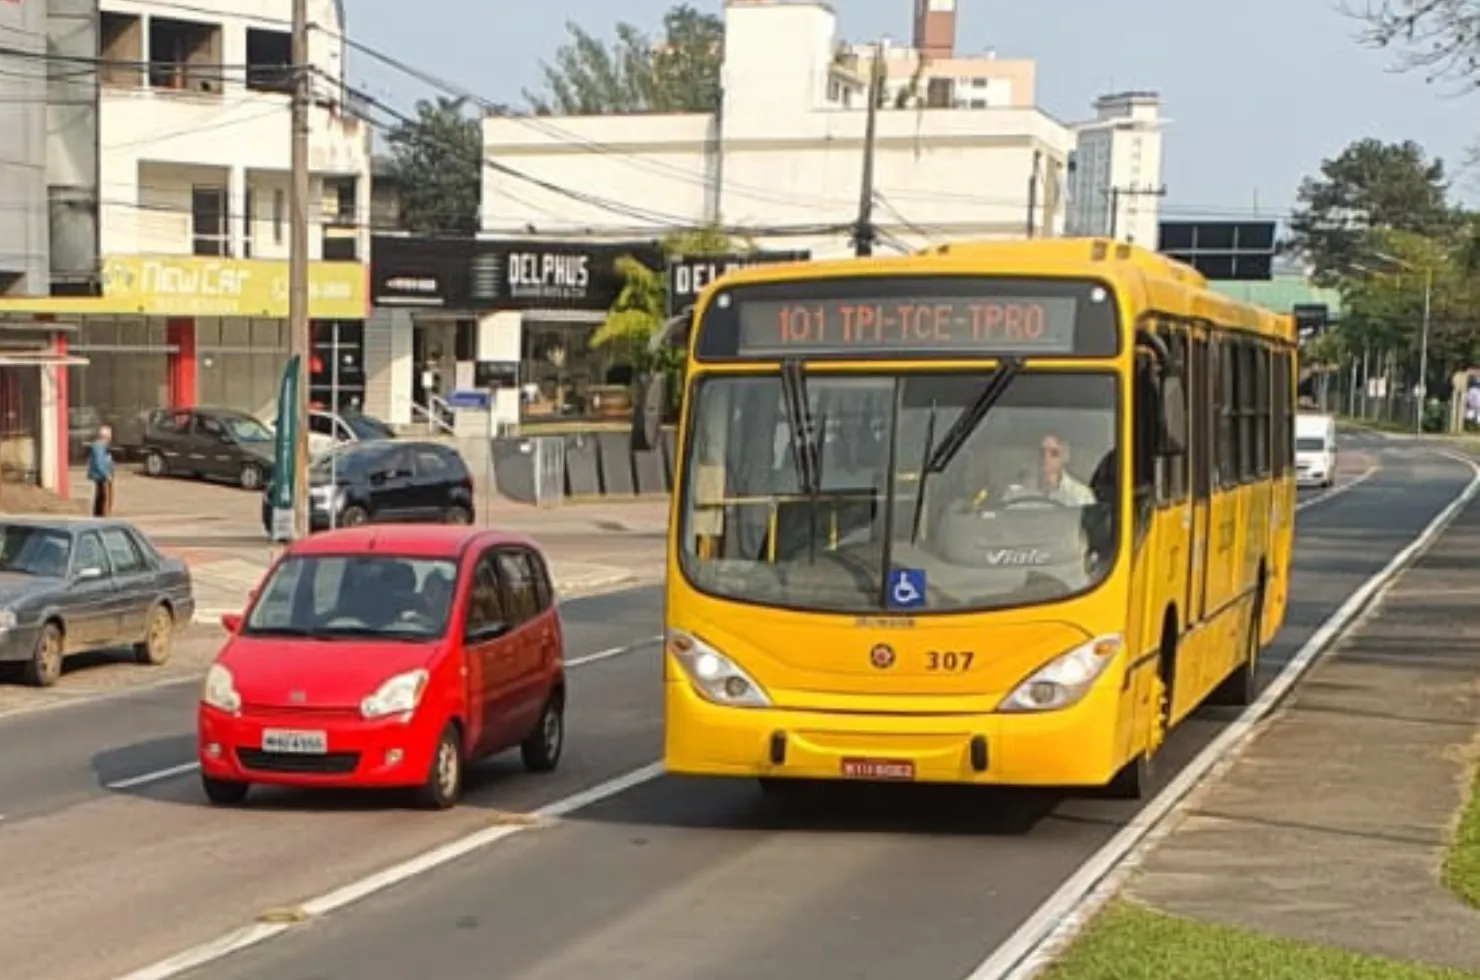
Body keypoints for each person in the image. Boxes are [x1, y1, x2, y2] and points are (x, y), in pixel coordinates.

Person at [1005, 431, 1095, 506]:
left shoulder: (1081, 496)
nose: (1046, 458)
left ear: (1065, 457)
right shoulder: (1015, 494)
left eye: (1054, 453)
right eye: (1042, 452)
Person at [87, 425, 115, 517]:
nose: (111, 437)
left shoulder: (101, 446)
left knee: (100, 497)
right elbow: (99, 462)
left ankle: (99, 515)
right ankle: (103, 515)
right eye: (110, 435)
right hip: (102, 476)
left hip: (102, 475)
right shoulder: (99, 446)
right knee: (104, 498)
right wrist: (106, 474)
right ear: (105, 436)